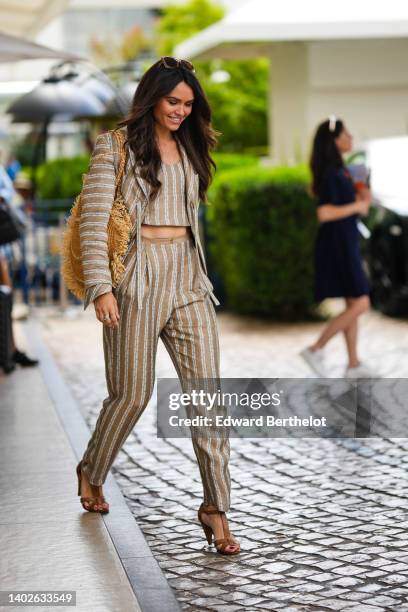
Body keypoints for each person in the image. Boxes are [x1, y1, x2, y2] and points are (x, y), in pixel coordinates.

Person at [76, 57, 240, 555]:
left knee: (207, 399)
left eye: (189, 105)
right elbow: (92, 221)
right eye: (174, 102)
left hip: (188, 277)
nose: (181, 112)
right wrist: (101, 287)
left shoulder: (191, 144)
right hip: (135, 278)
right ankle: (92, 469)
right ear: (152, 97)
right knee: (131, 394)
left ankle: (216, 508)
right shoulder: (116, 147)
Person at [300, 117, 372, 378]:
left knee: (353, 301)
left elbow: (365, 204)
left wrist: (363, 187)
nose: (351, 137)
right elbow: (325, 213)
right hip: (338, 243)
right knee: (362, 303)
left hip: (346, 240)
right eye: (346, 134)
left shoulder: (344, 170)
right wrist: (356, 205)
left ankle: (353, 364)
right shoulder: (332, 173)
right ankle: (315, 349)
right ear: (334, 140)